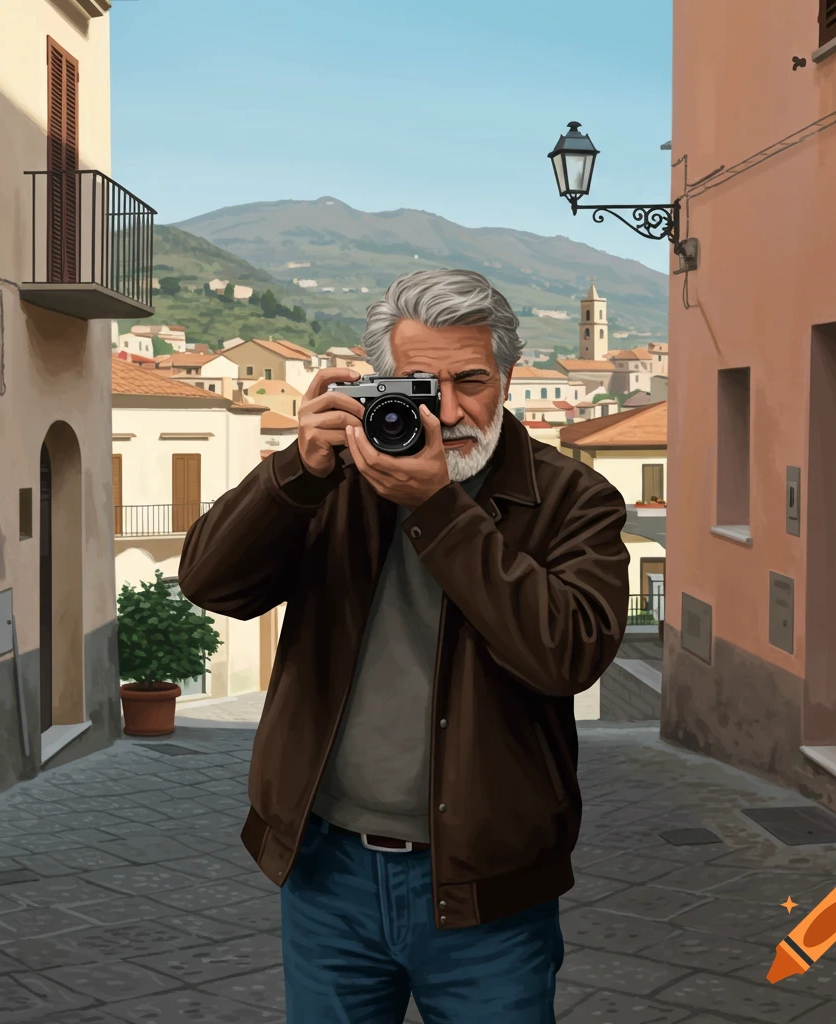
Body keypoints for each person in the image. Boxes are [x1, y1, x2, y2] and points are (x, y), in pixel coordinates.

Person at [179, 268, 630, 1023]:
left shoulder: (571, 499)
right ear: (381, 385)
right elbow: (209, 582)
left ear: (509, 377)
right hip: (326, 871)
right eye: (423, 386)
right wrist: (295, 472)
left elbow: (569, 653)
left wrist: (438, 508)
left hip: (489, 887)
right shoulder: (335, 480)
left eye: (472, 381)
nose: (448, 411)